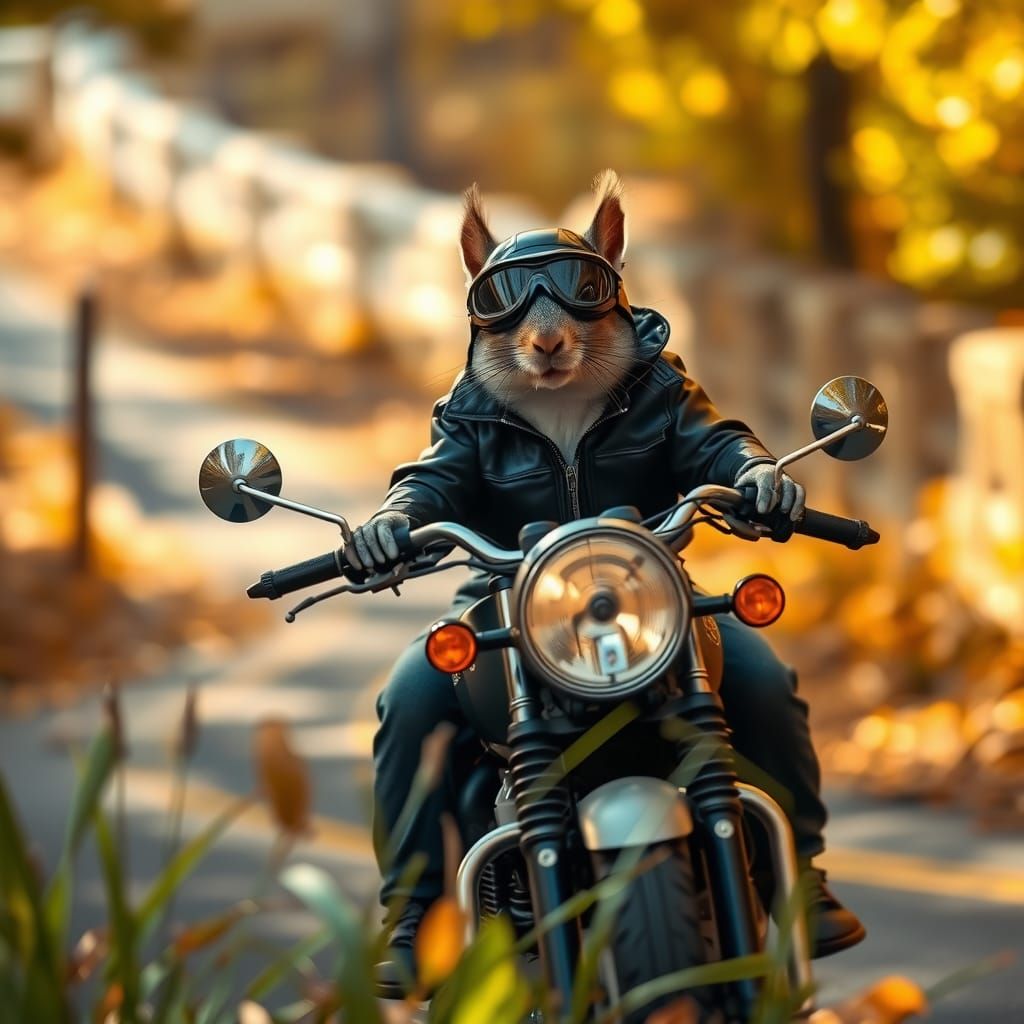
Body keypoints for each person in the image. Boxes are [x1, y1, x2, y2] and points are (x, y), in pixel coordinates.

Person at [345, 173, 866, 987]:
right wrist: (392, 523)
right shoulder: (473, 408)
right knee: (410, 698)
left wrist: (758, 473)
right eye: (518, 314)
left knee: (763, 680)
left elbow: (716, 441)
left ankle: (799, 877)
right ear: (484, 313)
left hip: (650, 600)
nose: (548, 335)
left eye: (572, 311)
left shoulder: (656, 385)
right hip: (505, 605)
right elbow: (430, 482)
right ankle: (412, 916)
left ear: (611, 295)